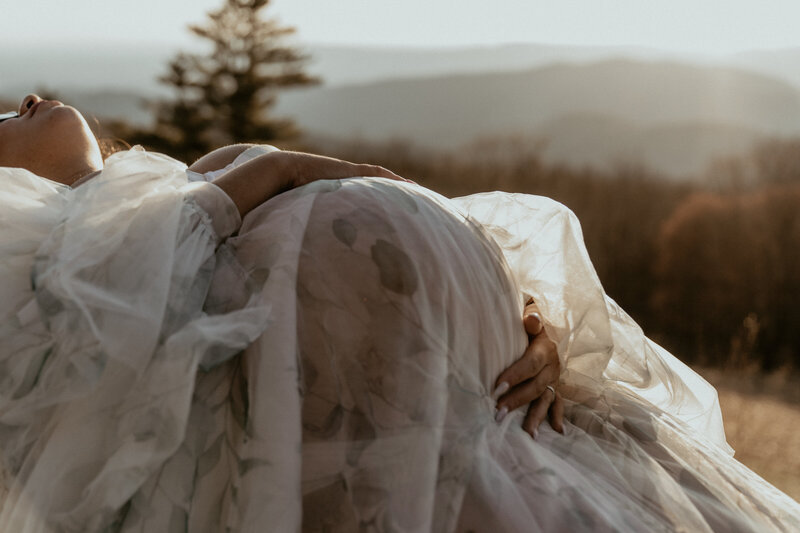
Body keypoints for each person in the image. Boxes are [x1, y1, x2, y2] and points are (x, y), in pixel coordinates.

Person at [0, 94, 798, 532]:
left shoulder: (178, 182)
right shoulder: (54, 276)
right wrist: (275, 168)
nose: (23, 99)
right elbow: (116, 318)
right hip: (407, 468)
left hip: (509, 412)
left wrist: (537, 327)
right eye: (1, 121)